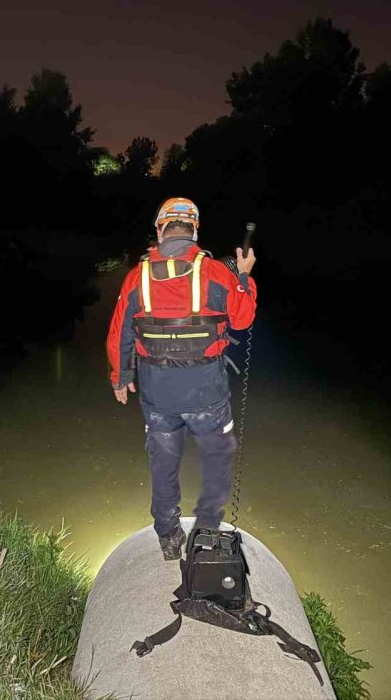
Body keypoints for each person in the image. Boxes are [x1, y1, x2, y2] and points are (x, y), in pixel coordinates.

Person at [106, 197, 257, 560]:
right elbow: (242, 320)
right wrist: (244, 276)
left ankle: (169, 538)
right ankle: (207, 533)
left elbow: (119, 334)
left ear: (159, 230)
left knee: (163, 464)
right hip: (207, 391)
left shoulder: (135, 276)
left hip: (158, 394)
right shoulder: (218, 273)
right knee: (217, 458)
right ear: (194, 230)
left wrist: (120, 377)